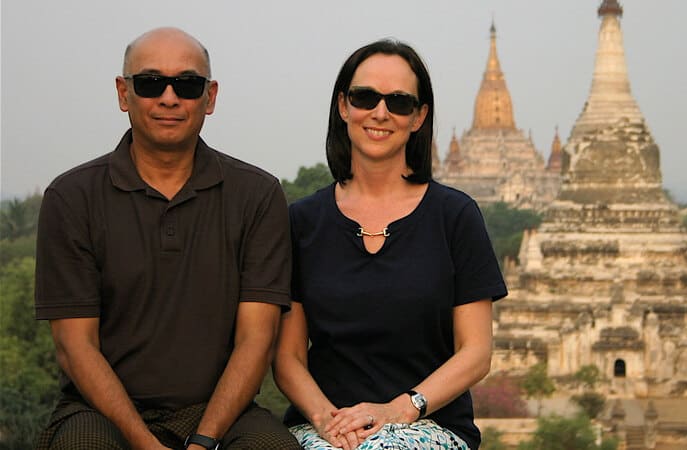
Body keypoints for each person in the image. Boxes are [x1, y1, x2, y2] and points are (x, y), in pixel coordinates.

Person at [34, 27, 300, 450]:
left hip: (220, 410)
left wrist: (204, 440)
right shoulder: (72, 198)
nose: (169, 98)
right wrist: (146, 444)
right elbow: (74, 346)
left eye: (188, 84)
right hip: (99, 411)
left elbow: (257, 339)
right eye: (151, 82)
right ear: (124, 93)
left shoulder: (257, 195)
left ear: (210, 97)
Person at [272, 39, 507, 450]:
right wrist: (330, 423)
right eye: (365, 97)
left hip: (426, 422)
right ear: (343, 106)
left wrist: (399, 409)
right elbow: (287, 357)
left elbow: (476, 352)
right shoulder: (303, 222)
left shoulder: (455, 216)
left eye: (398, 102)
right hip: (324, 425)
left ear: (419, 117)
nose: (380, 113)